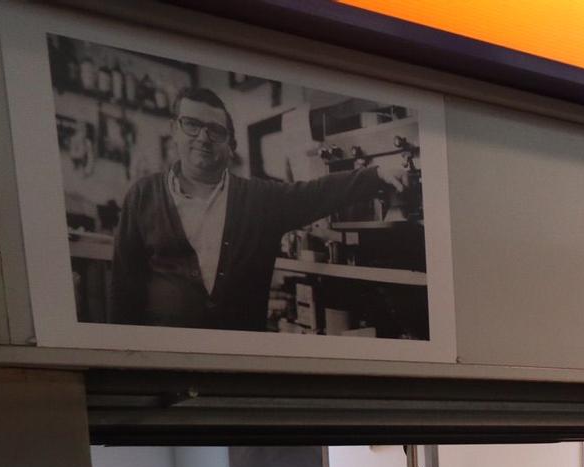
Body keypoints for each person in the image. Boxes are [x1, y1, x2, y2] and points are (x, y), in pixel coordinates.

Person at [110, 88, 396, 331]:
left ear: (230, 146)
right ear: (174, 129)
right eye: (192, 124)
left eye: (216, 131)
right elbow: (123, 291)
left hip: (240, 365)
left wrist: (377, 174)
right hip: (165, 362)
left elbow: (316, 194)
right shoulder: (142, 195)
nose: (203, 137)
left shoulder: (259, 200)